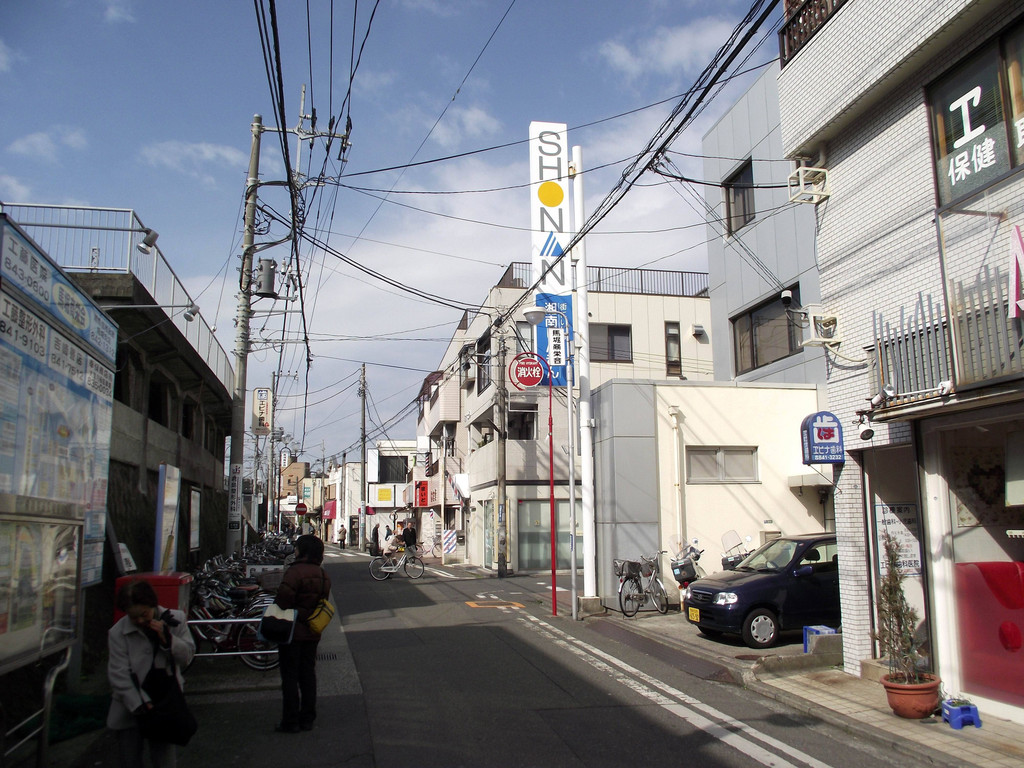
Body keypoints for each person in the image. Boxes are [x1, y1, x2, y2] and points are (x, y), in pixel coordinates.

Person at [107, 578, 195, 768]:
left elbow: (187, 656)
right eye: (133, 617)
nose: (139, 620)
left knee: (164, 759)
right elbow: (118, 672)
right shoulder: (117, 633)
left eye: (143, 614)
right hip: (131, 706)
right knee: (130, 759)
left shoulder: (175, 620)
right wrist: (140, 703)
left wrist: (168, 640)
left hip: (165, 702)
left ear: (152, 604)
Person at [274, 534, 332, 733]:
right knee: (308, 674)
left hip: (291, 631)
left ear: (303, 551)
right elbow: (322, 601)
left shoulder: (294, 572)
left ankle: (290, 721)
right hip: (312, 632)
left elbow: (283, 600)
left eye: (297, 548)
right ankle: (308, 718)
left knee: (290, 676)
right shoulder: (323, 575)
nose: (295, 551)